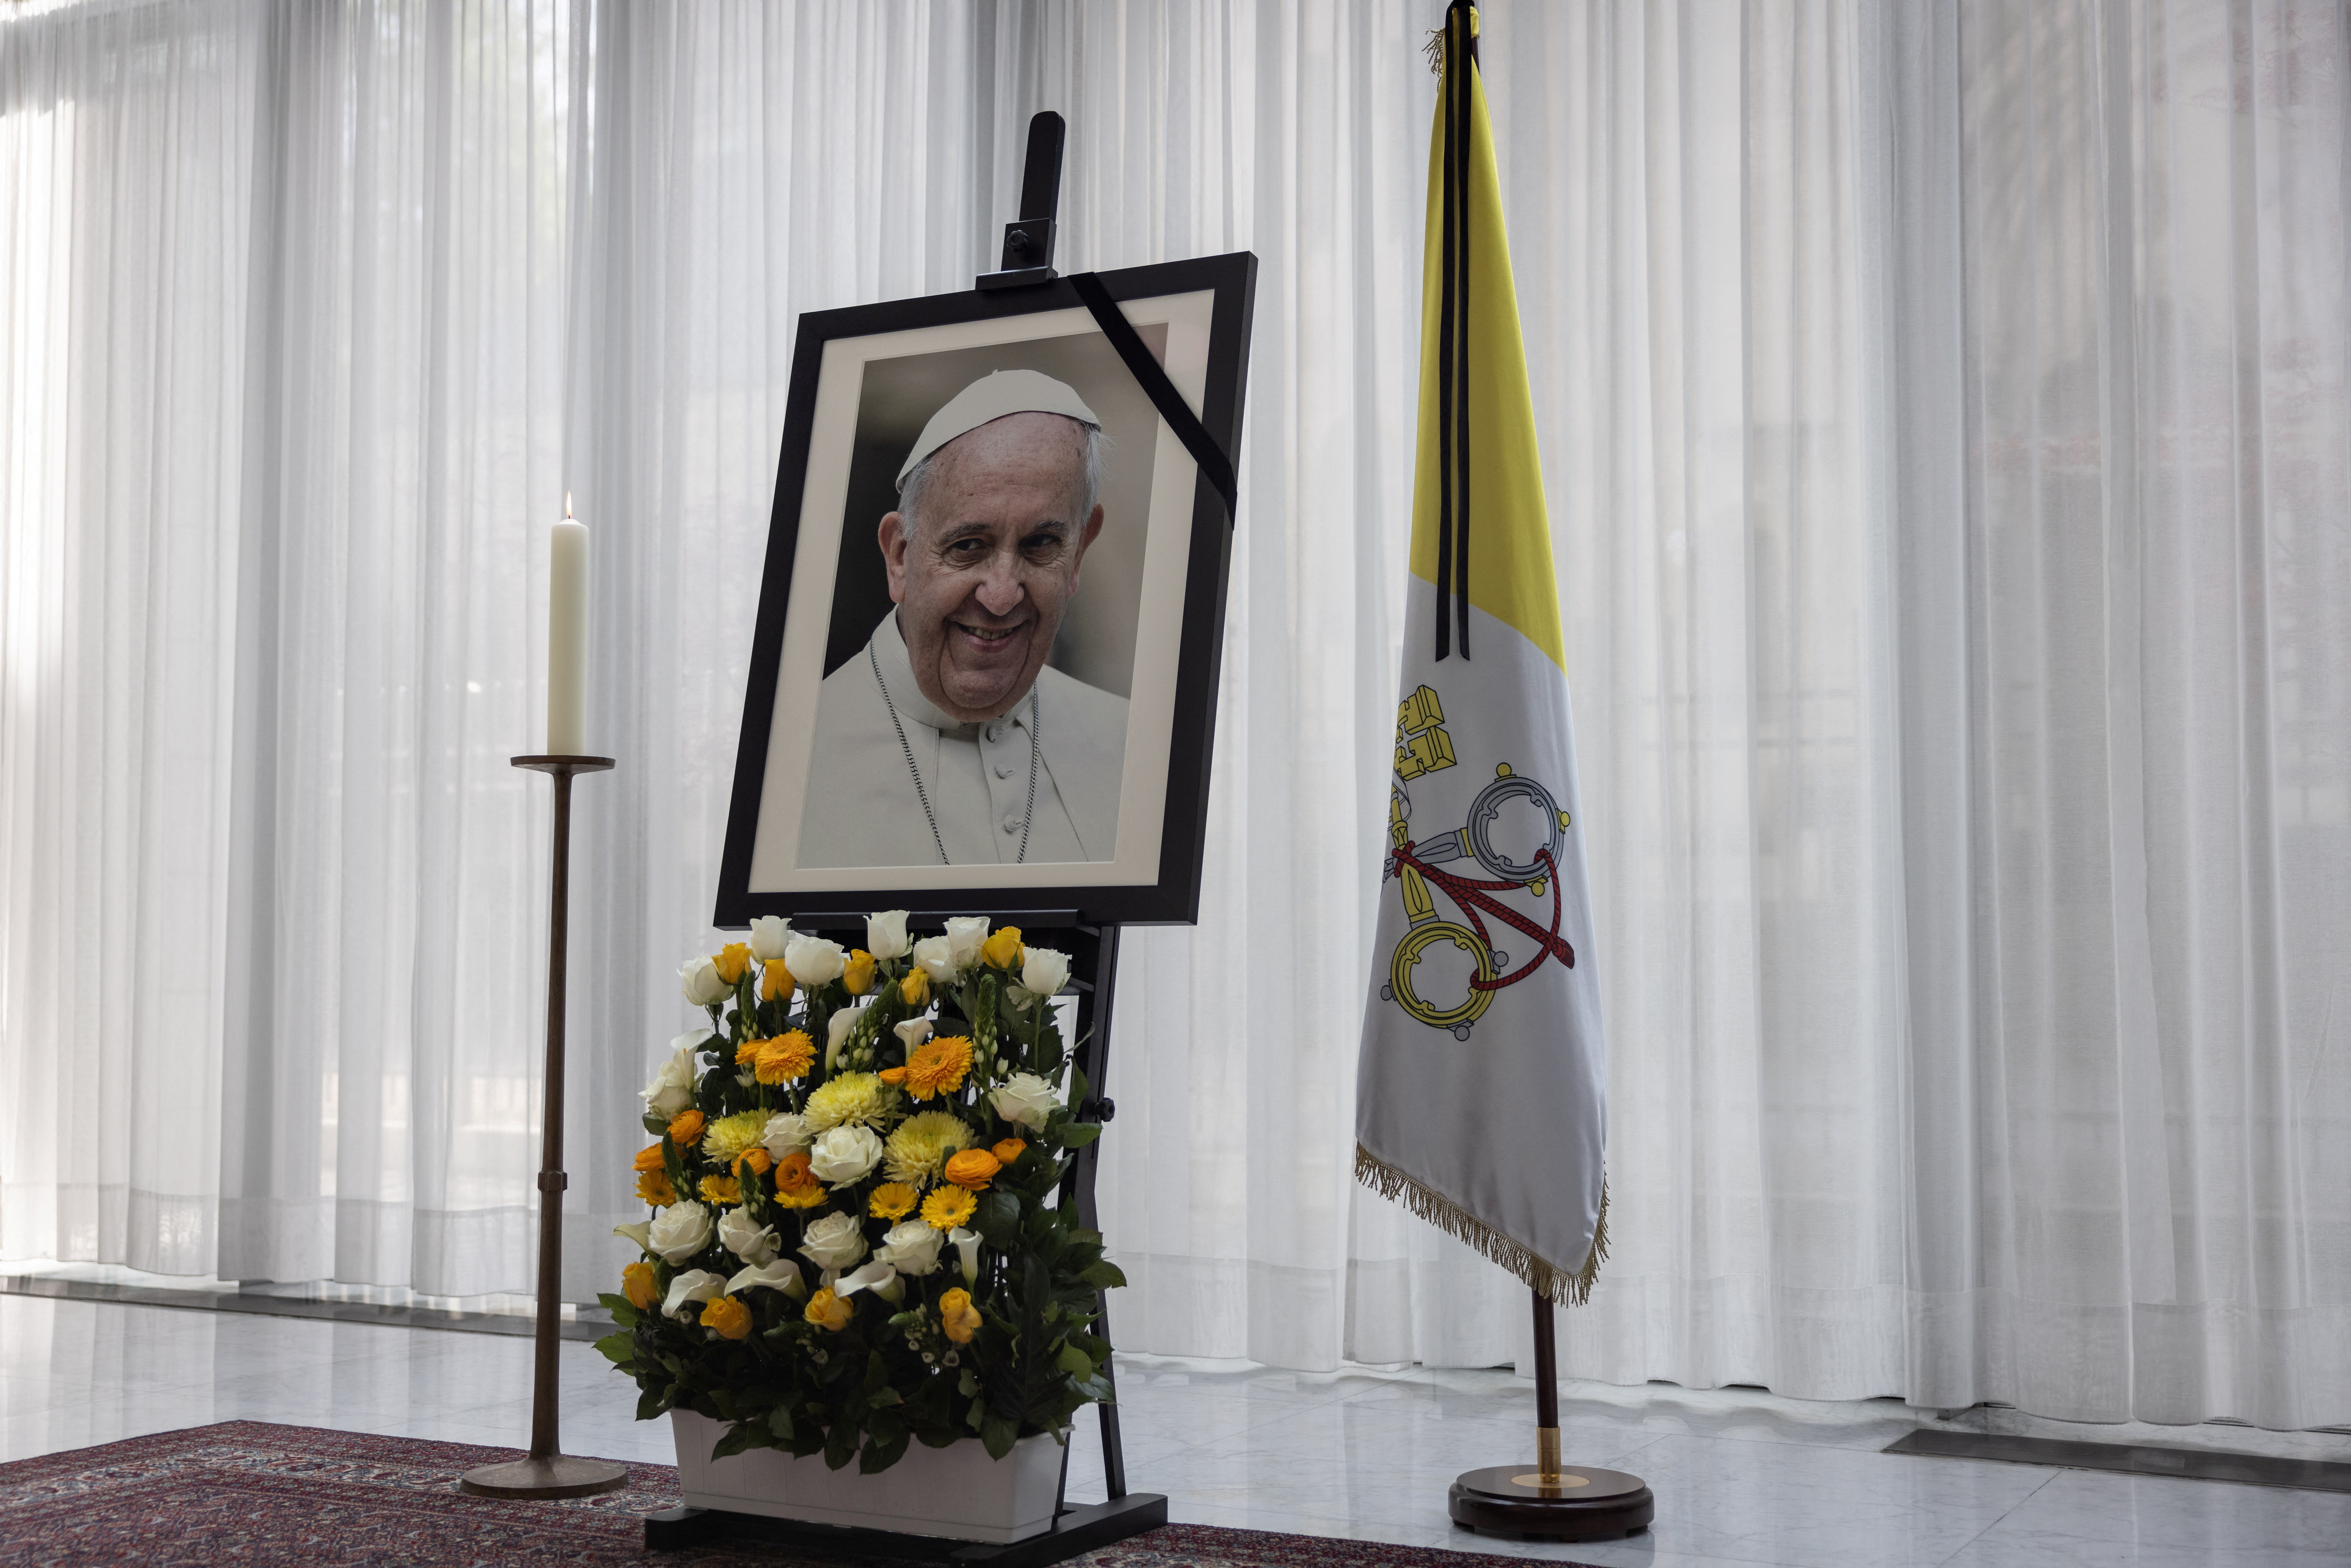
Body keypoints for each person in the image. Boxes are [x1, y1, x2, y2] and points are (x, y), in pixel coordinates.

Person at [799, 369, 1128, 867]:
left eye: (1041, 544)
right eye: (967, 546)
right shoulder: (794, 759)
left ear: (1079, 552)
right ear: (899, 556)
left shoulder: (1134, 752)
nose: (1000, 596)